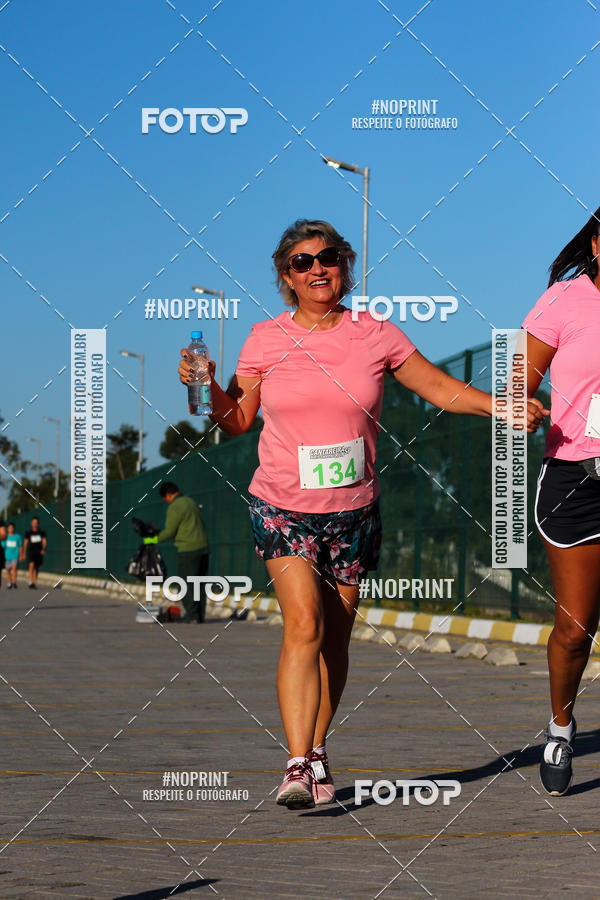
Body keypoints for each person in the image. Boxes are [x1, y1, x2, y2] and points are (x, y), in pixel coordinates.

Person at [178, 218, 545, 810]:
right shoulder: (265, 339)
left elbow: (439, 388)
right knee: (304, 624)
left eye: (329, 257)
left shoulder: (375, 335)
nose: (317, 268)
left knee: (336, 641)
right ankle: (296, 764)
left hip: (352, 510)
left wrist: (498, 406)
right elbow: (237, 421)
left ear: (345, 267)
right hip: (280, 505)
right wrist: (208, 387)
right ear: (286, 277)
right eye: (302, 262)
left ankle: (318, 748)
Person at [523, 205, 600, 796]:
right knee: (576, 629)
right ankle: (560, 726)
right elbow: (517, 379)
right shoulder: (564, 301)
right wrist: (517, 403)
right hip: (576, 478)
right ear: (595, 246)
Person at [156, 482, 209, 622]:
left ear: (168, 495)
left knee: (187, 583)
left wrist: (153, 539)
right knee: (200, 583)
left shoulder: (175, 506)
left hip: (188, 549)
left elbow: (169, 531)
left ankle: (191, 615)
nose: (166, 502)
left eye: (165, 499)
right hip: (203, 547)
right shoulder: (191, 502)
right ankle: (200, 616)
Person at [23, 516, 47, 589]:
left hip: (39, 552)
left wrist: (43, 549)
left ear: (38, 523)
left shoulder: (41, 532)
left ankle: (34, 581)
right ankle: (30, 581)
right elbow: (25, 542)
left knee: (36, 567)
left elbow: (44, 541)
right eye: (33, 523)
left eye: (36, 523)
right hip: (31, 551)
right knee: (31, 565)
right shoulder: (28, 532)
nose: (34, 524)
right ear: (31, 523)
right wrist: (24, 553)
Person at [2, 522, 23, 590]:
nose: (11, 529)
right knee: (8, 570)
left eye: (12, 528)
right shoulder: (6, 537)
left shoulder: (17, 536)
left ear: (14, 529)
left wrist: (20, 554)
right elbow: (3, 545)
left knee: (14, 568)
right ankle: (9, 582)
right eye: (9, 528)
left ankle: (14, 582)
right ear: (7, 529)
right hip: (7, 556)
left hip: (15, 555)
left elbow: (20, 546)